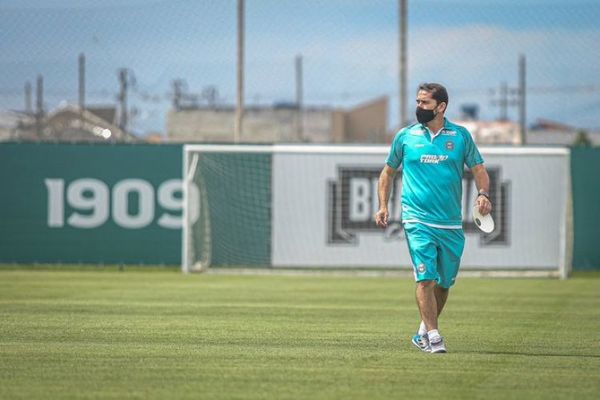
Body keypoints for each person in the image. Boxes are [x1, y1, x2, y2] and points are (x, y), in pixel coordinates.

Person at [374, 83, 492, 354]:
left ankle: (423, 330)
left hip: (450, 223)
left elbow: (479, 169)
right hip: (416, 220)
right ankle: (435, 336)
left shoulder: (460, 136)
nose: (419, 107)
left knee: (443, 283)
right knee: (425, 279)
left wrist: (483, 194)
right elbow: (388, 172)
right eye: (418, 102)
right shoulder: (405, 136)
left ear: (441, 107)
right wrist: (383, 205)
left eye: (425, 103)